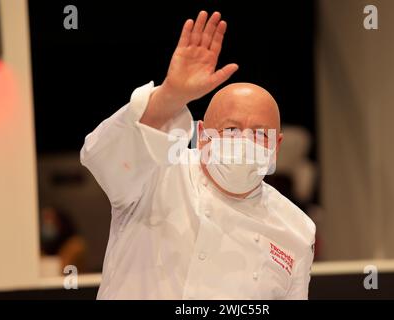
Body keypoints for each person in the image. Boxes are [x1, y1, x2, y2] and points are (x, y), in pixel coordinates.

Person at [80, 11, 315, 300]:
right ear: (202, 135)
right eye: (230, 129)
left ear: (276, 146)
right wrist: (171, 94)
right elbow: (100, 154)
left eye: (258, 134)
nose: (244, 142)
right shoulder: (156, 174)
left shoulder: (297, 229)